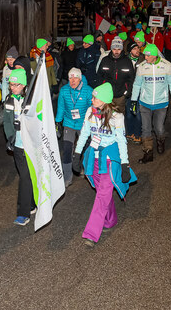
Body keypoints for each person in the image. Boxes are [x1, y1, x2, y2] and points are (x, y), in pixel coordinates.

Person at [72, 82, 136, 247]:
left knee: (102, 196)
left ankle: (91, 234)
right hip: (93, 157)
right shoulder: (90, 112)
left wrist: (124, 164)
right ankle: (111, 219)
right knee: (102, 192)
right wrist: (77, 155)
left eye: (95, 97)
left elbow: (122, 141)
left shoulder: (117, 117)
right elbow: (84, 134)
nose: (92, 99)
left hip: (109, 159)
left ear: (104, 100)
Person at [130, 44, 171, 163]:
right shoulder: (142, 66)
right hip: (145, 103)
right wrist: (133, 101)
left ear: (154, 56)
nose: (145, 57)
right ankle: (148, 152)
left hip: (161, 103)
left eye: (148, 55)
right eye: (145, 55)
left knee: (159, 128)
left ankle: (160, 141)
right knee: (145, 129)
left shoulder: (167, 65)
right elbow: (137, 84)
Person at [2, 69, 35, 225]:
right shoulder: (9, 99)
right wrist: (10, 136)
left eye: (16, 85)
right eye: (11, 85)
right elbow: (6, 121)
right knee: (25, 176)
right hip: (18, 144)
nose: (13, 88)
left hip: (32, 144)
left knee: (28, 177)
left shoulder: (32, 99)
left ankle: (25, 210)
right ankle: (29, 206)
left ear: (24, 85)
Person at [55, 68, 93, 185]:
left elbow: (92, 109)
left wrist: (91, 124)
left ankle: (83, 168)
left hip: (83, 124)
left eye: (75, 78)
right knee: (67, 149)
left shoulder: (88, 91)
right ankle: (67, 177)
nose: (72, 80)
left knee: (85, 148)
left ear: (80, 79)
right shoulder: (64, 90)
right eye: (70, 78)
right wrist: (57, 122)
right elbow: (61, 107)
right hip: (69, 123)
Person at [97, 37, 135, 113]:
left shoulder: (127, 61)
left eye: (119, 49)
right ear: (111, 49)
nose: (116, 51)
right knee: (107, 115)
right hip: (106, 94)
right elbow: (99, 76)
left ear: (122, 49)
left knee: (120, 116)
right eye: (114, 49)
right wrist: (101, 91)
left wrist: (127, 92)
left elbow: (131, 78)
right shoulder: (105, 60)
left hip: (121, 95)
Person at [125, 42, 144, 143]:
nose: (137, 50)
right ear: (130, 51)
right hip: (129, 90)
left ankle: (138, 134)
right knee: (128, 113)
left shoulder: (143, 59)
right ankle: (130, 132)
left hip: (140, 90)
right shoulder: (125, 60)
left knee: (138, 113)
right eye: (134, 49)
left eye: (138, 48)